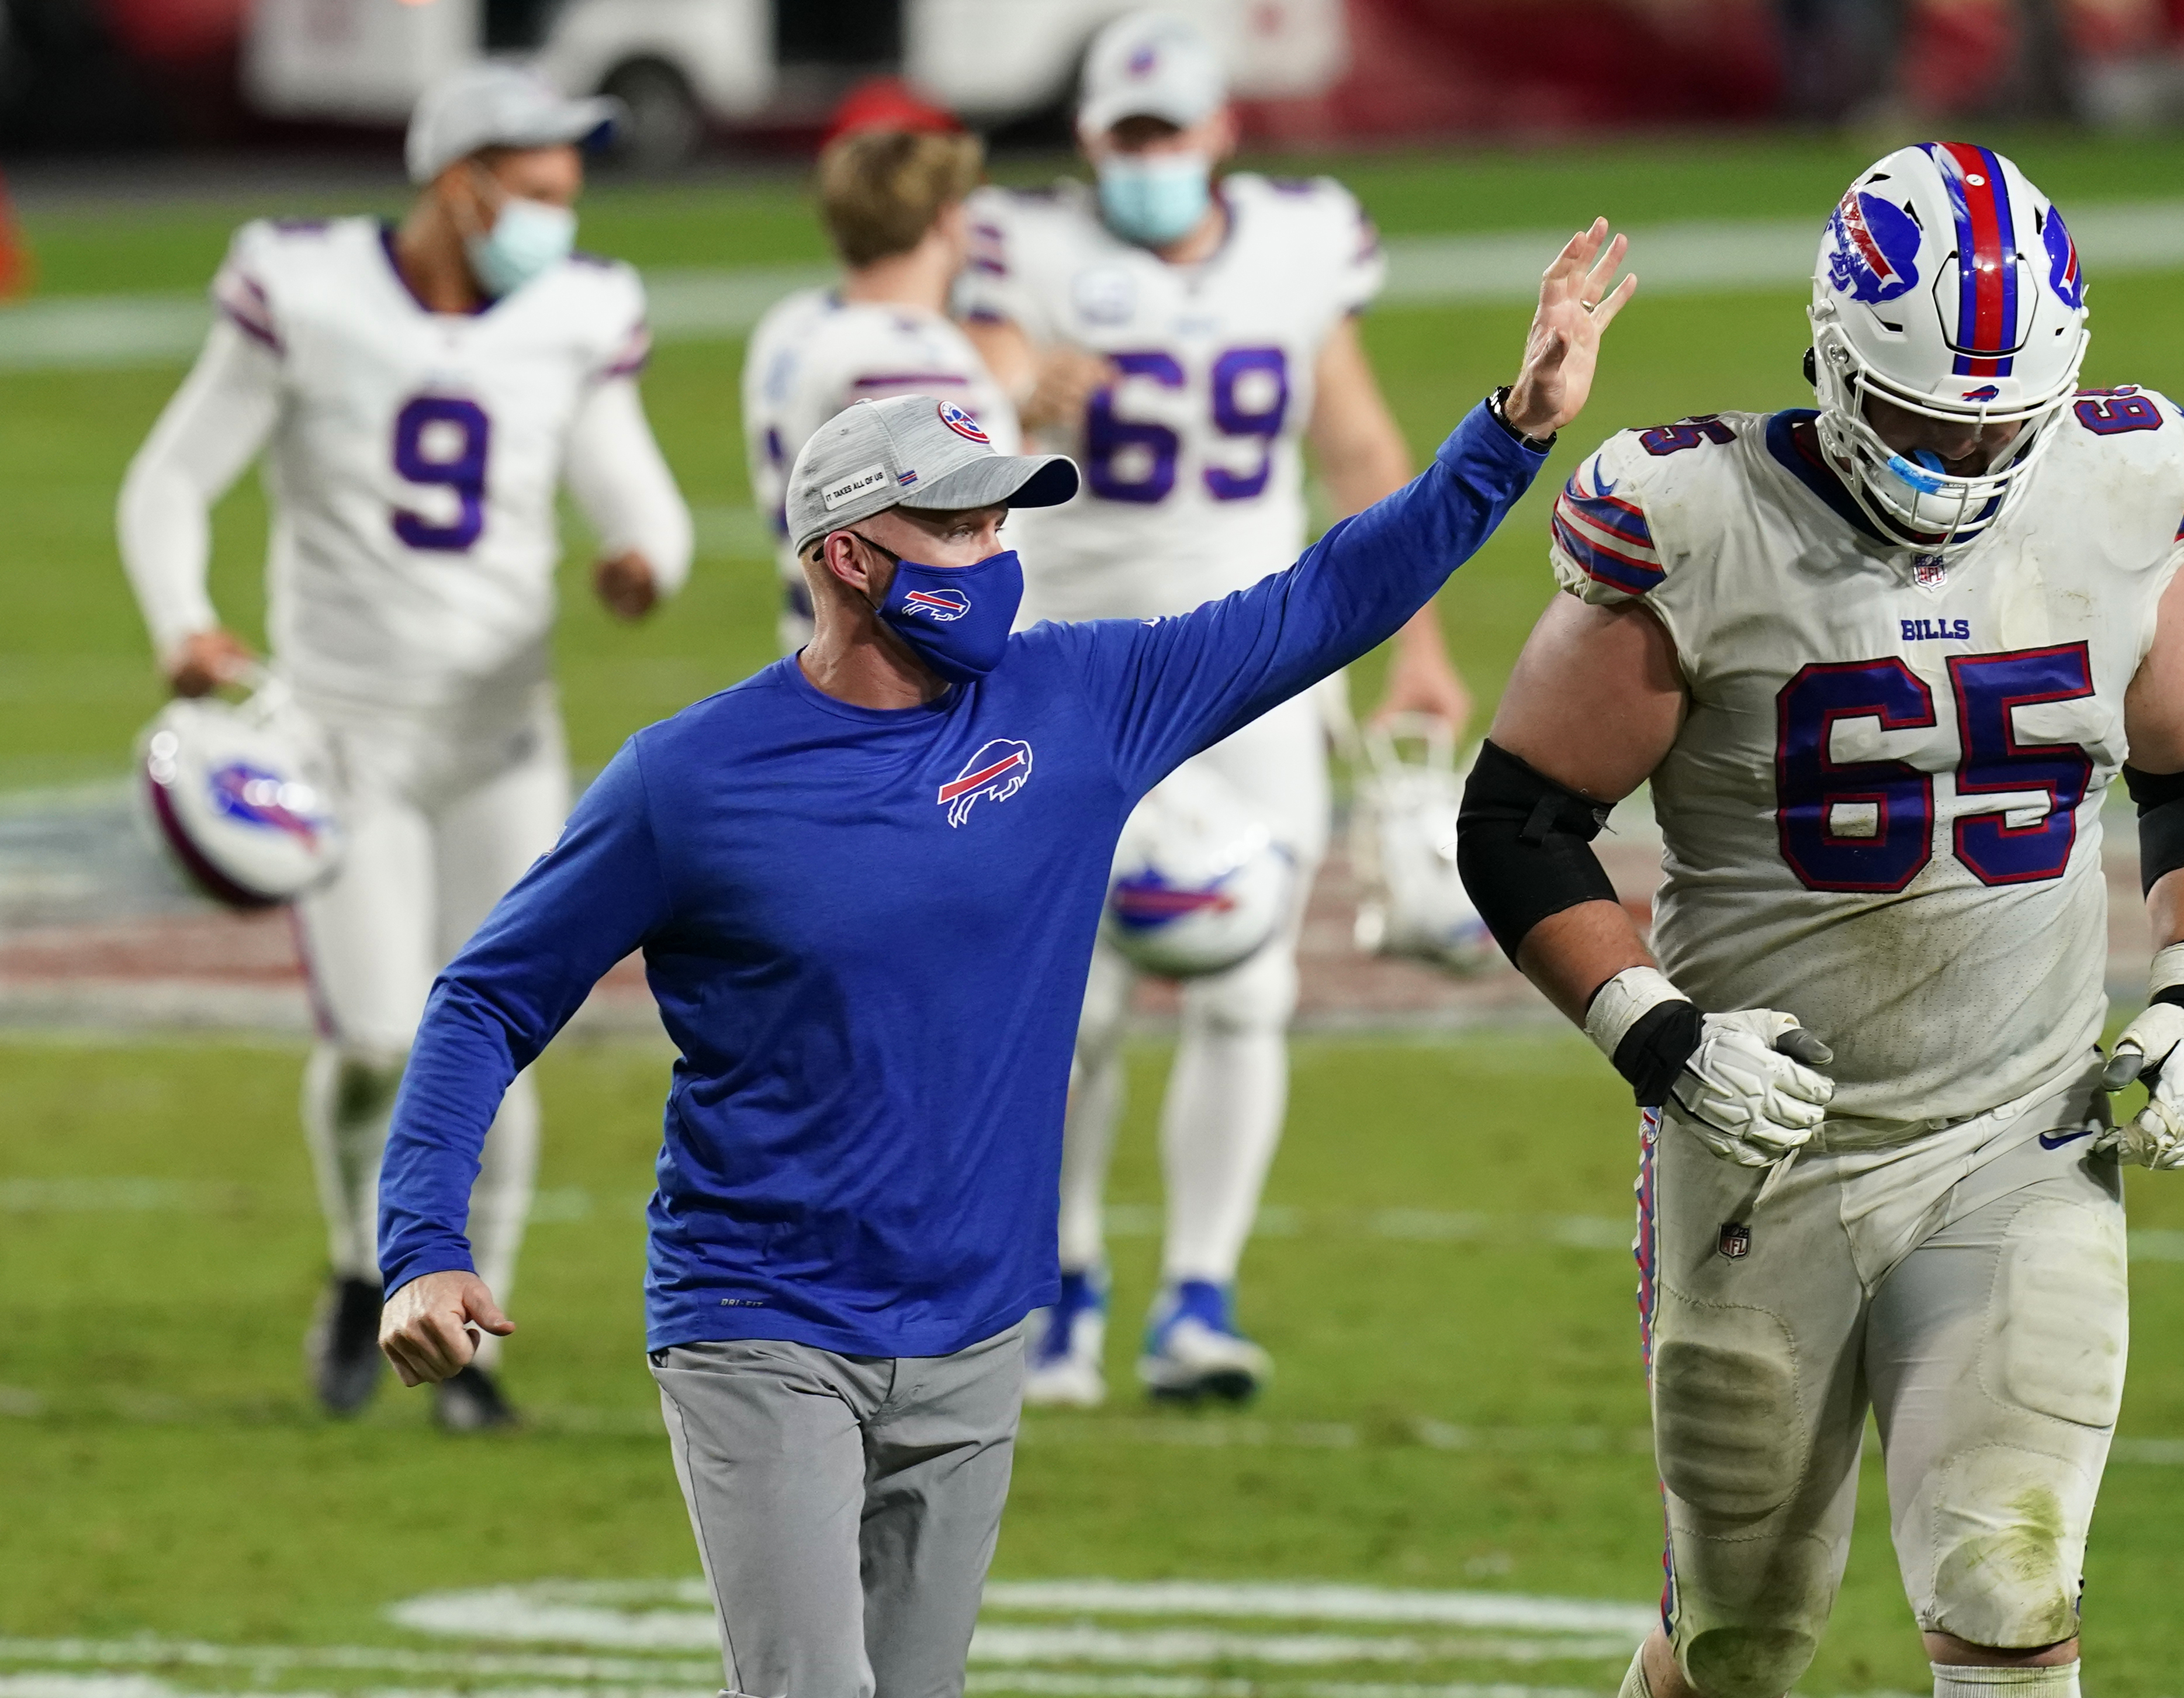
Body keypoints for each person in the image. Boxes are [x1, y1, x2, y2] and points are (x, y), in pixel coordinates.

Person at [376, 228, 1632, 1698]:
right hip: (761, 1317)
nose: (993, 556)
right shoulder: (691, 781)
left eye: (1001, 523)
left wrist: (1515, 430)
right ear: (848, 556)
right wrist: (424, 1245)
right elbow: (488, 995)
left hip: (976, 1322)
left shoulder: (1080, 699)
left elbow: (1325, 599)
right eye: (957, 528)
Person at [1457, 146, 2184, 1698]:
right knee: (1739, 1641)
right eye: (1912, 419)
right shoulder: (1691, 516)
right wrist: (1659, 1036)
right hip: (1766, 1147)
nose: (1954, 466)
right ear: (1829, 356)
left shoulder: (2121, 487)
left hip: (2016, 1128)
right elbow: (1518, 820)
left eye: (1994, 426)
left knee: (2008, 1583)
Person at [115, 63, 693, 1431]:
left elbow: (637, 493)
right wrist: (184, 622)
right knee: (380, 1037)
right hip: (339, 737)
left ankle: (472, 1348)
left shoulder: (577, 310)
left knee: (499, 1044)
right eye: (538, 188)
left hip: (501, 738)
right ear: (459, 181)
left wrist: (643, 563)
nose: (561, 214)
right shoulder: (308, 289)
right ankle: (352, 1263)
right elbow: (170, 476)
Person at [959, 8, 1472, 1407]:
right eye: (1124, 136)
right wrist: (1019, 384)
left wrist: (1413, 642)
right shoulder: (1032, 249)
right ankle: (1055, 1294)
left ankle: (1197, 1297)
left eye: (1167, 132)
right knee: (1076, 1000)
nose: (1147, 159)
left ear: (1218, 132)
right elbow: (974, 380)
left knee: (1248, 982)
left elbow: (1356, 441)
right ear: (1087, 140)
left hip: (1255, 660)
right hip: (1074, 659)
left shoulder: (1299, 242)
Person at [742, 89, 1110, 654]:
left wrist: (1016, 414)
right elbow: (939, 533)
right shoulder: (912, 359)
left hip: (822, 639)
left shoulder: (792, 324)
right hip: (903, 663)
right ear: (946, 218)